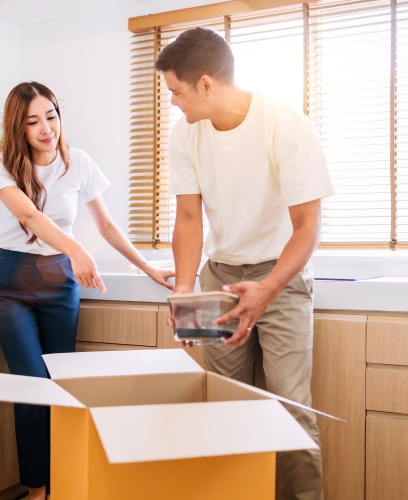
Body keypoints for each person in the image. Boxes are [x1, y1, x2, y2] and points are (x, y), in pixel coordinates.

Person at [156, 28, 334, 500]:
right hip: (221, 276)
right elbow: (190, 218)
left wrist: (268, 289)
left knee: (290, 408)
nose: (173, 102)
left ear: (206, 84)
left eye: (176, 91)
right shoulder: (184, 134)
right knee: (223, 406)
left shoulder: (286, 125)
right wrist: (187, 294)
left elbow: (307, 226)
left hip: (281, 276)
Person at [0, 81, 174, 500]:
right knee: (33, 388)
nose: (45, 128)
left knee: (60, 388)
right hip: (11, 284)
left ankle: (64, 484)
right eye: (32, 121)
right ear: (18, 127)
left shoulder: (80, 163)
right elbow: (30, 216)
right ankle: (37, 492)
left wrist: (146, 266)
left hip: (59, 285)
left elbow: (106, 225)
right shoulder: (0, 165)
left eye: (50, 116)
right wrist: (75, 248)